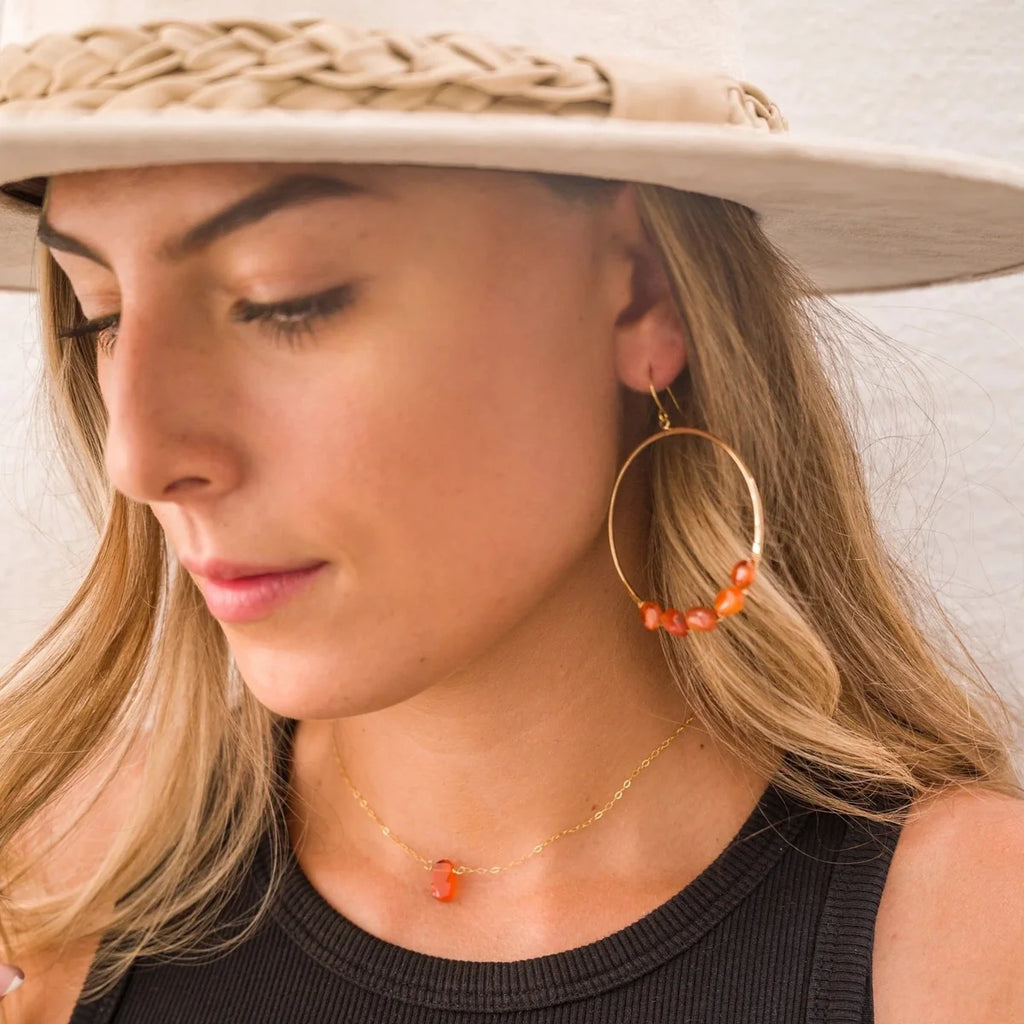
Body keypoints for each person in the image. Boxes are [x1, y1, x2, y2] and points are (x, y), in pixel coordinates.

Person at [1, 4, 1023, 1023]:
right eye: (102, 312)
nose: (139, 456)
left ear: (642, 295)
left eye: (284, 298)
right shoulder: (60, 889)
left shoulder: (963, 941)